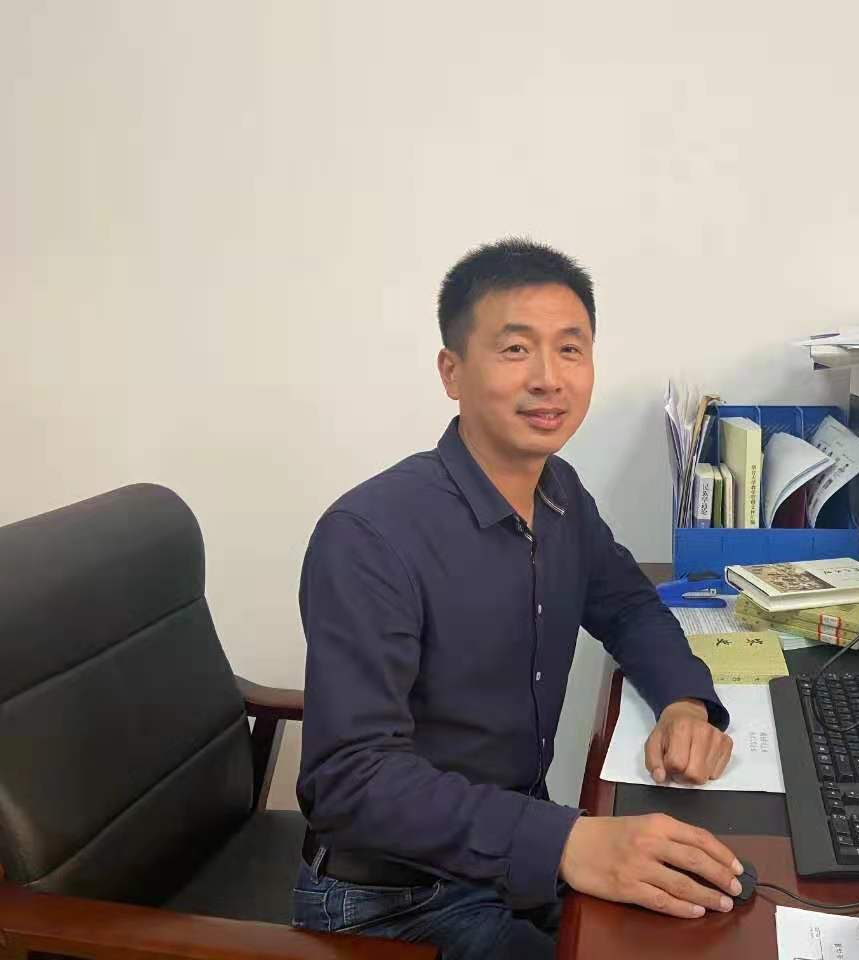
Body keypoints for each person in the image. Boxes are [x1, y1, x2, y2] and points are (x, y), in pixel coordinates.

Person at [292, 239, 745, 959]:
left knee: (718, 915)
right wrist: (565, 841)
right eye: (514, 349)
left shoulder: (560, 493)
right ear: (452, 371)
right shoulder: (370, 536)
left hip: (510, 859)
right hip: (393, 903)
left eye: (571, 349)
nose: (548, 379)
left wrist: (685, 703)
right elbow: (350, 781)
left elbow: (628, 606)